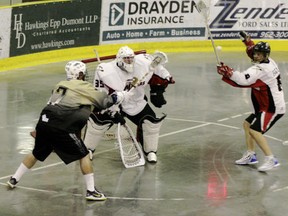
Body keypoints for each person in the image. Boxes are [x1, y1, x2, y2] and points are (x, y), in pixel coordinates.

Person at [7, 61, 125, 201]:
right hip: (62, 127)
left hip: (44, 124)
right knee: (84, 155)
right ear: (80, 74)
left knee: (36, 153)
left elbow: (81, 105)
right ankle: (91, 191)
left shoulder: (60, 85)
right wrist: (118, 96)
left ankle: (14, 179)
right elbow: (104, 102)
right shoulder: (83, 86)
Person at [83, 46, 175, 163]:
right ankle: (88, 150)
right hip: (113, 104)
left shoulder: (144, 63)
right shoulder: (105, 70)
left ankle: (151, 151)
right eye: (126, 59)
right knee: (97, 125)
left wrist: (158, 91)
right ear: (119, 59)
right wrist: (112, 110)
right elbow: (101, 96)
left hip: (135, 102)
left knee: (150, 123)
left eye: (131, 59)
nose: (129, 61)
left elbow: (158, 69)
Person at [216, 31, 286, 172]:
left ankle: (271, 159)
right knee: (247, 124)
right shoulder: (269, 61)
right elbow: (252, 51)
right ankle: (251, 155)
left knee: (255, 131)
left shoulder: (261, 69)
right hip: (263, 105)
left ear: (265, 56)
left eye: (259, 54)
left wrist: (228, 72)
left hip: (272, 108)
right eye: (256, 53)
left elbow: (242, 80)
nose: (256, 56)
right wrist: (248, 42)